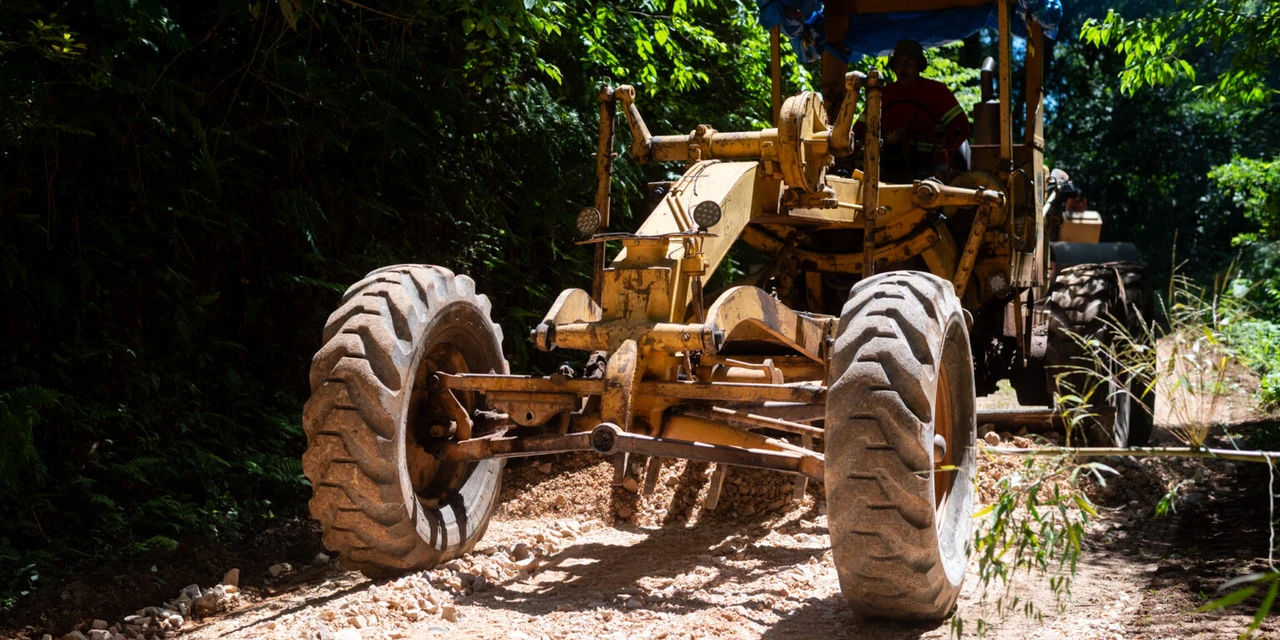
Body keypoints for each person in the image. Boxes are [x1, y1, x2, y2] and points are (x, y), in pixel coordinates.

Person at [854, 40, 971, 176]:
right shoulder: (881, 95)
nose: (902, 69)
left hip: (933, 167)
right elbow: (858, 131)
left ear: (920, 66)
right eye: (898, 64)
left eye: (909, 64)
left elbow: (961, 127)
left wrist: (944, 138)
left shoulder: (937, 92)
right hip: (887, 167)